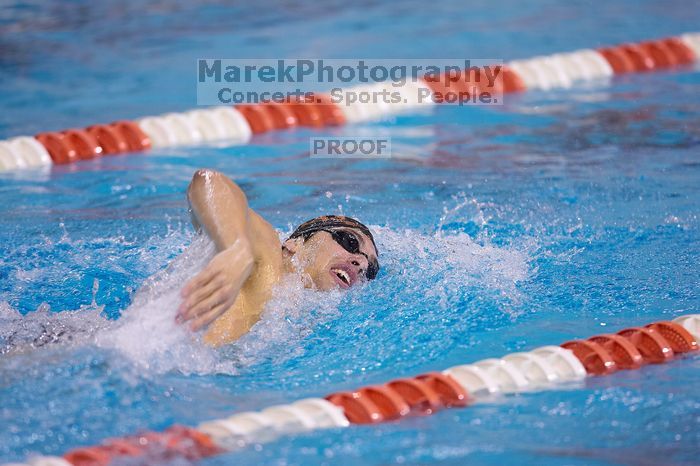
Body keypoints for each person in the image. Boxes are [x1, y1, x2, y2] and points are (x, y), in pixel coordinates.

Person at [177, 169, 379, 346]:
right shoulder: (269, 256)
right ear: (295, 244)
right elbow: (207, 182)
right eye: (350, 242)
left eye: (370, 270)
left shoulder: (298, 321)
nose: (361, 263)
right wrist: (236, 250)